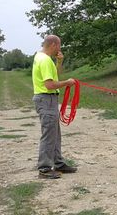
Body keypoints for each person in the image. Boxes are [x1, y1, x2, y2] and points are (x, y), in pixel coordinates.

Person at [32, 34, 78, 179]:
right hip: (46, 99)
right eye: (59, 45)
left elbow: (54, 77)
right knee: (49, 135)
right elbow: (50, 85)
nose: (60, 48)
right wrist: (67, 83)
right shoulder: (45, 60)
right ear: (53, 45)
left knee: (55, 133)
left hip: (48, 99)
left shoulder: (41, 57)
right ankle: (44, 169)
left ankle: (58, 163)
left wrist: (59, 62)